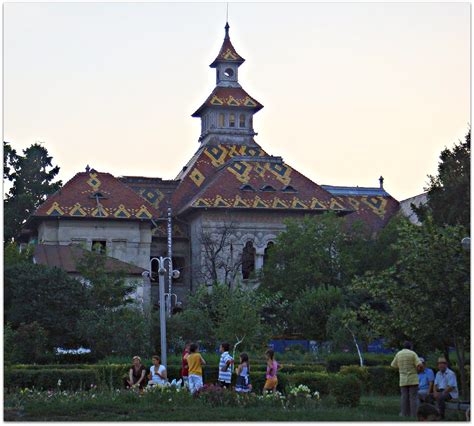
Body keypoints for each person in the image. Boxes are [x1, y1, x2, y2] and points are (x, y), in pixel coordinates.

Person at [390, 341, 423, 417]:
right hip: (413, 379)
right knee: (413, 398)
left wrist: (401, 368)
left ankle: (404, 414)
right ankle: (413, 414)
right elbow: (420, 365)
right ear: (410, 347)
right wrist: (418, 370)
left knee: (404, 397)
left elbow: (393, 365)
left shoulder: (398, 354)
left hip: (403, 379)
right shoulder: (413, 354)